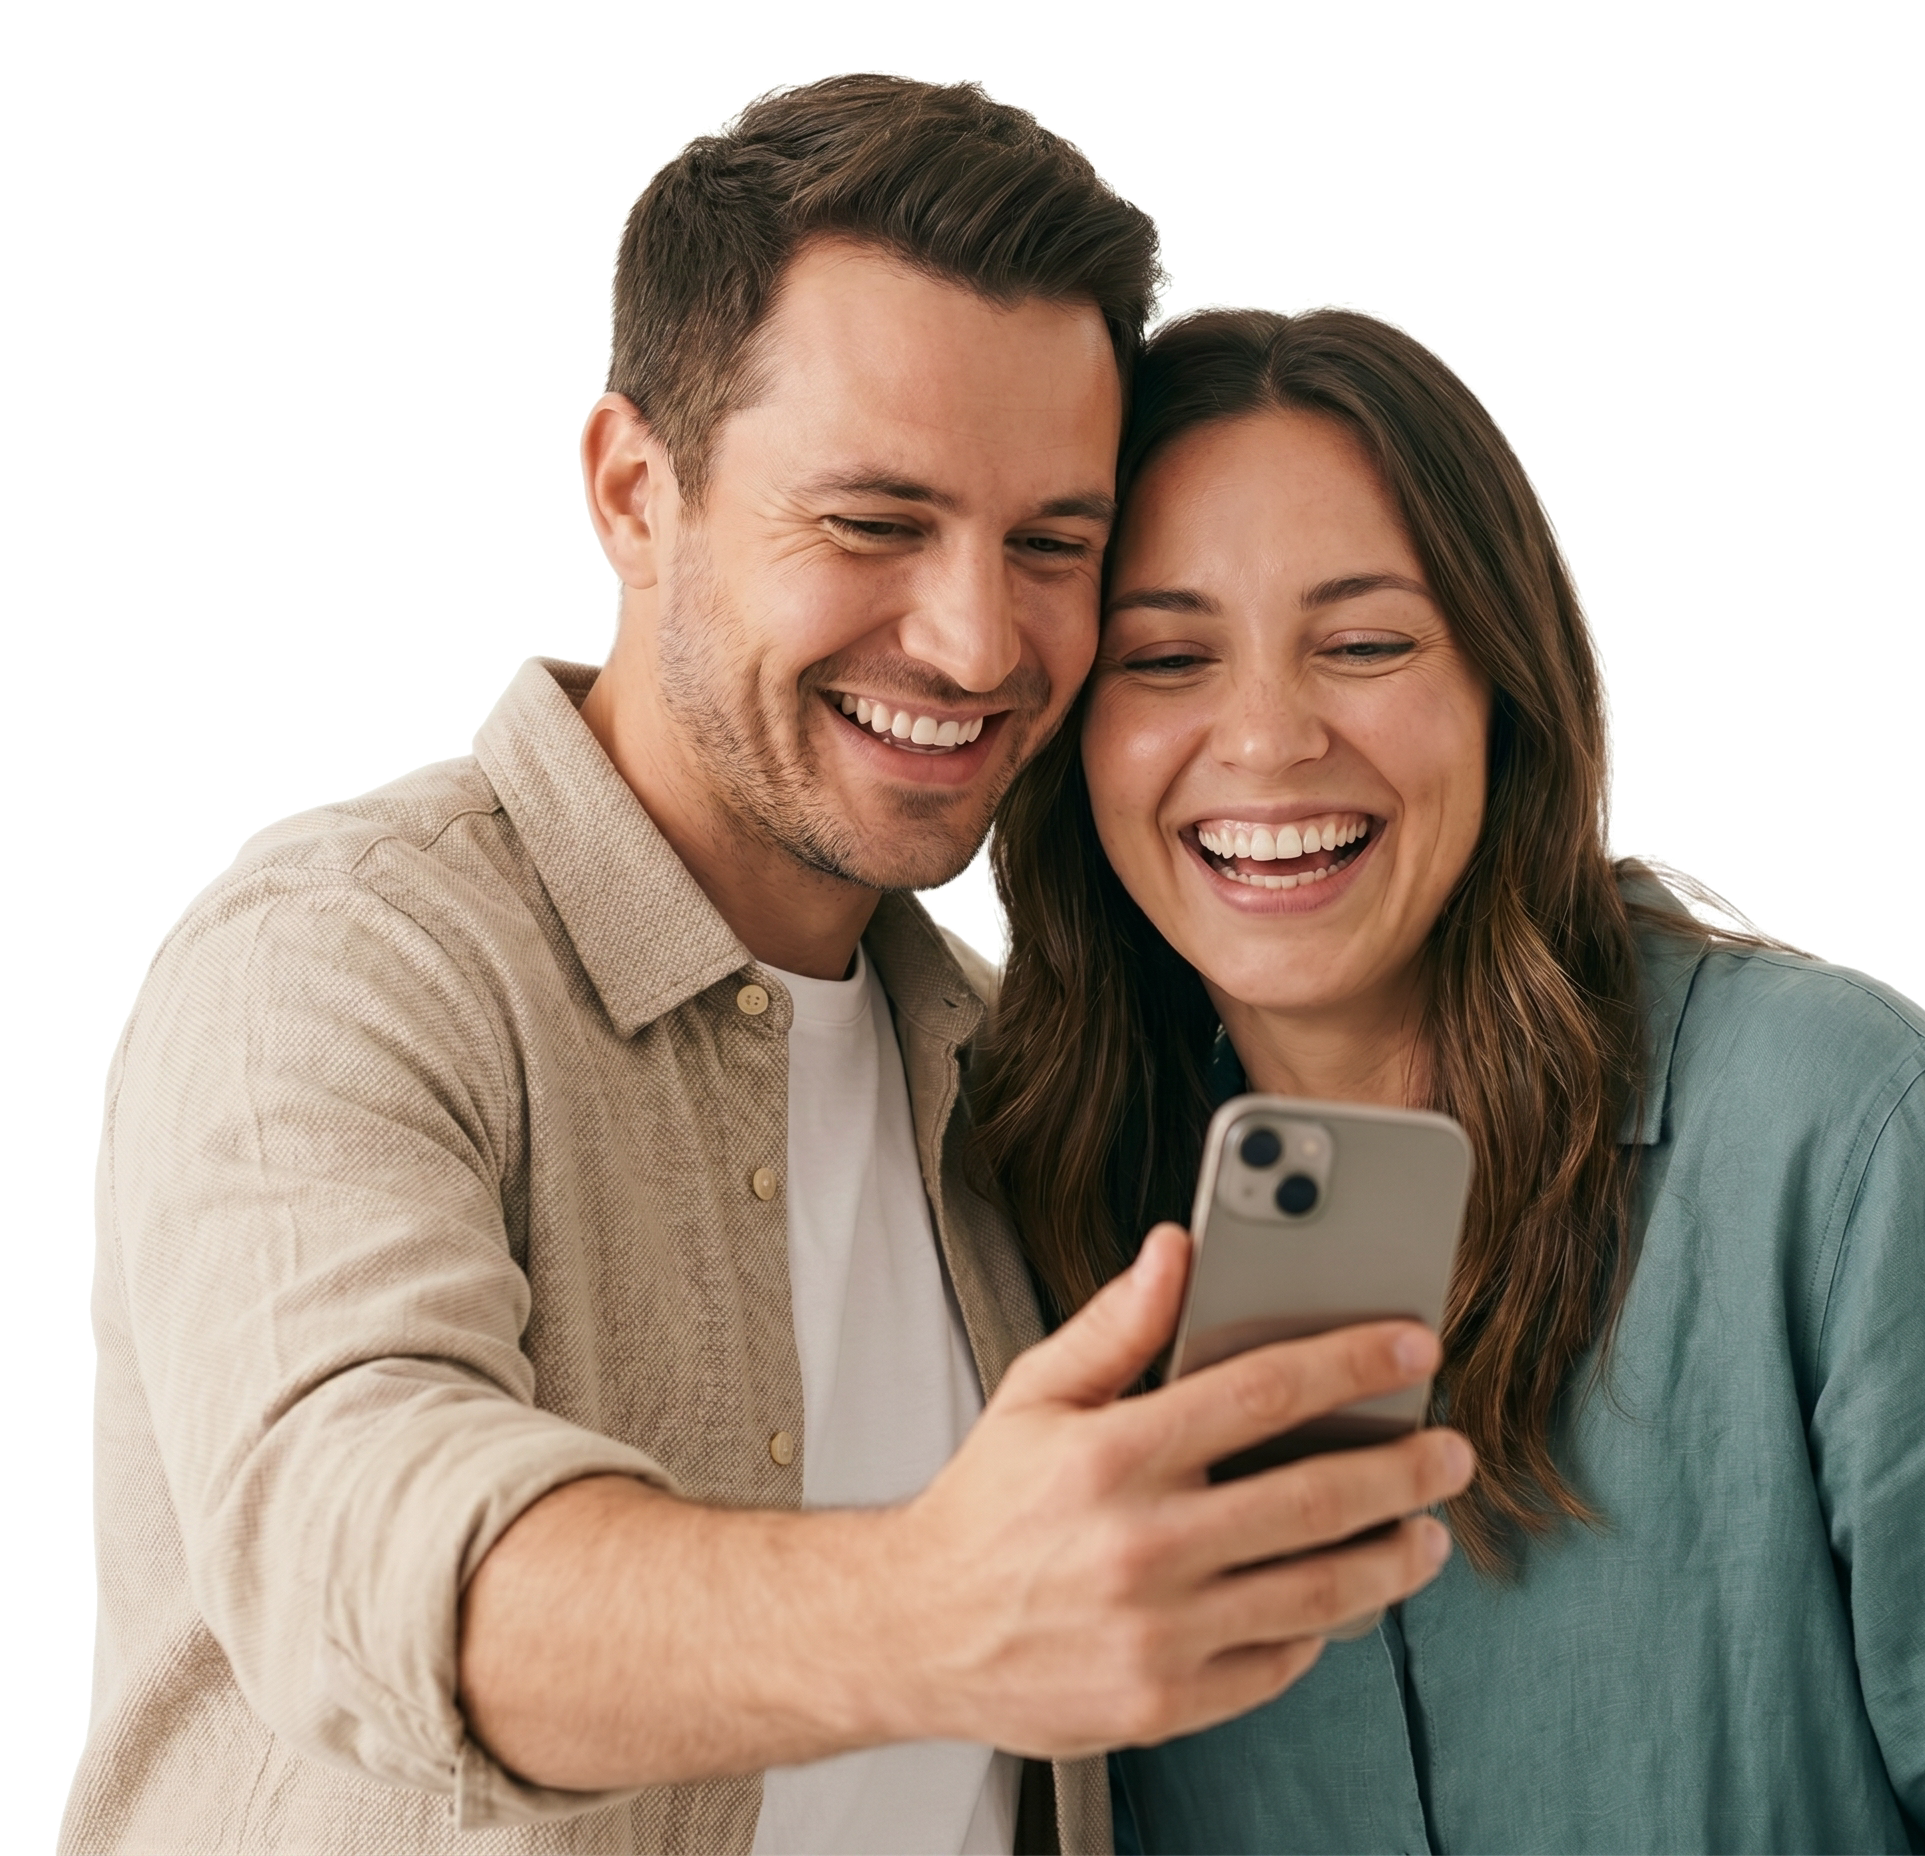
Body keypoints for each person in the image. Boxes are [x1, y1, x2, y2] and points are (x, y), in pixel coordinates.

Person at [62, 83, 1475, 1856]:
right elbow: (360, 1544)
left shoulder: (1006, 1070)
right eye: (875, 523)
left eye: (1052, 544)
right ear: (635, 493)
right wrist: (932, 1609)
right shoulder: (337, 963)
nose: (975, 640)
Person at [971, 307, 1925, 1852]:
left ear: (1503, 685)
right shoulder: (1041, 1225)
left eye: (1365, 644)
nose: (1268, 739)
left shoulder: (1851, 1145)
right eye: (1168, 658)